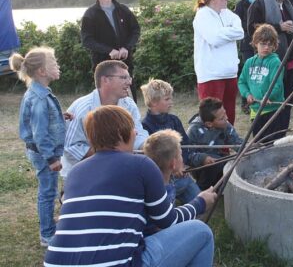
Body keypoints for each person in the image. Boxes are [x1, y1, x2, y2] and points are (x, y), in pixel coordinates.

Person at [44, 105, 217, 266]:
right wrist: (200, 202)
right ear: (122, 134)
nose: (135, 132)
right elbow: (167, 220)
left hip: (55, 262)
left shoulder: (75, 172)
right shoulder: (141, 164)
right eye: (132, 128)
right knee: (201, 231)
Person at [10, 47, 67, 247]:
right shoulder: (40, 98)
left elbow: (46, 123)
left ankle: (48, 226)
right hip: (44, 154)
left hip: (42, 152)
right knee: (48, 192)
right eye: (54, 64)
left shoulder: (38, 92)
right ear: (42, 71)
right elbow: (40, 133)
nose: (58, 66)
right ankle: (47, 234)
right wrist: (51, 159)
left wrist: (62, 117)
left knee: (48, 190)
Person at [62, 60, 149, 179]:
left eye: (129, 78)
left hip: (118, 167)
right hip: (83, 173)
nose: (129, 82)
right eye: (123, 77)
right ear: (105, 80)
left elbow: (137, 132)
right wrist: (109, 155)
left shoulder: (128, 104)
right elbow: (70, 147)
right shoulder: (84, 108)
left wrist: (147, 146)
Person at [248, 0, 293, 126]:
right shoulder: (258, 5)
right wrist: (278, 27)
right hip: (270, 65)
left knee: (286, 102)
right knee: (271, 103)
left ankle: (281, 137)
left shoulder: (287, 5)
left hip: (289, 63)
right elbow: (253, 31)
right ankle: (268, 141)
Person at [143, 129, 217, 235]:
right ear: (173, 164)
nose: (182, 158)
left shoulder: (155, 181)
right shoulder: (163, 191)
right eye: (180, 155)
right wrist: (201, 201)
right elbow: (166, 225)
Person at [140, 78, 201, 204]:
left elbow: (185, 144)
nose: (171, 102)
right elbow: (153, 157)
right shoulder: (145, 126)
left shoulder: (174, 120)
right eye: (167, 99)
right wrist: (173, 168)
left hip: (182, 174)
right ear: (153, 102)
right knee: (167, 216)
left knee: (202, 205)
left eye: (170, 98)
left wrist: (182, 163)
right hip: (163, 179)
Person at [81, 0, 140, 102]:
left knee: (129, 101)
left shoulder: (123, 10)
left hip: (125, 64)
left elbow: (135, 31)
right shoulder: (90, 14)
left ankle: (131, 121)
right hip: (103, 66)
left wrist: (127, 47)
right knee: (105, 104)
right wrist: (108, 50)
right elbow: (87, 40)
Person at [193, 0, 244, 125]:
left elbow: (240, 33)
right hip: (211, 75)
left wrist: (222, 32)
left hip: (230, 73)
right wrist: (228, 32)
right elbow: (214, 39)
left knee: (229, 115)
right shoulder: (202, 15)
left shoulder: (229, 14)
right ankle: (213, 147)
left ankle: (227, 146)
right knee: (213, 117)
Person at [238, 24, 288, 142]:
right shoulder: (249, 62)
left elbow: (277, 84)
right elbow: (242, 82)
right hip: (256, 110)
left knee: (272, 143)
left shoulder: (275, 62)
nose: (266, 47)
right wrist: (247, 94)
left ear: (274, 45)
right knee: (258, 143)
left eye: (270, 44)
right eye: (263, 44)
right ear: (255, 43)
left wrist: (267, 96)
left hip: (273, 111)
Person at [187, 97, 243, 190]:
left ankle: (219, 186)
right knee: (214, 165)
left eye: (225, 114)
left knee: (232, 163)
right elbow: (188, 154)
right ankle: (201, 189)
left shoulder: (225, 124)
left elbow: (236, 142)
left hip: (217, 158)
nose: (227, 118)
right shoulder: (194, 131)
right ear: (209, 124)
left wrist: (247, 147)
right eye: (222, 118)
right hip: (200, 167)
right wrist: (203, 158)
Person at [235, 0, 263, 115]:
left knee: (260, 74)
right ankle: (245, 103)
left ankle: (258, 101)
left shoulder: (262, 2)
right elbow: (238, 25)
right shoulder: (241, 4)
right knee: (248, 73)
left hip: (261, 44)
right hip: (247, 44)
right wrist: (253, 28)